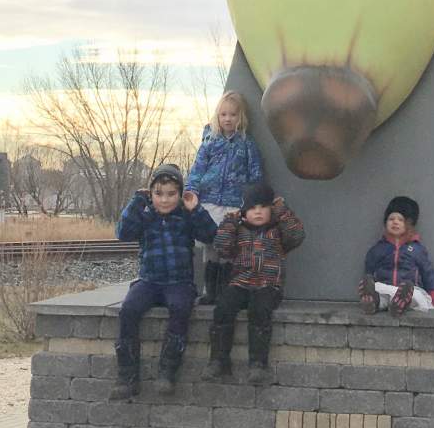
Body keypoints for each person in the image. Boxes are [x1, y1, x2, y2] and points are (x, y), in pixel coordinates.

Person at [111, 162, 218, 399]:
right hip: (149, 281)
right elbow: (122, 233)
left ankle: (167, 372)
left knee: (180, 308)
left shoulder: (186, 216)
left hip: (179, 282)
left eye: (171, 194)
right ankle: (127, 376)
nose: (165, 200)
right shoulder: (145, 215)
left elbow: (211, 235)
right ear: (151, 194)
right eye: (159, 194)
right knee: (128, 310)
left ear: (180, 195)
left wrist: (196, 209)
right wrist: (136, 202)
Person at [205, 181, 304, 383]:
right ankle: (218, 361)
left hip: (268, 285)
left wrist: (282, 210)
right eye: (252, 208)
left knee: (260, 310)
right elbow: (222, 247)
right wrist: (230, 222)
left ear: (271, 209)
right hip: (241, 283)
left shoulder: (277, 232)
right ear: (244, 211)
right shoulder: (238, 230)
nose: (257, 212)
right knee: (223, 307)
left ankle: (258, 363)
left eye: (263, 207)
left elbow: (297, 235)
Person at [186, 91, 263, 304]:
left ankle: (226, 291)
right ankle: (210, 291)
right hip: (209, 201)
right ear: (217, 116)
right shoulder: (210, 141)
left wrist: (254, 199)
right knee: (210, 245)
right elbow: (198, 168)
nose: (228, 119)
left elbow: (255, 174)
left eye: (233, 115)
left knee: (229, 246)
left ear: (241, 117)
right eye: (223, 114)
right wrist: (191, 190)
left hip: (233, 204)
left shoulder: (247, 144)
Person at [359, 195, 434, 314]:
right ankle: (372, 302)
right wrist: (368, 283)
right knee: (379, 291)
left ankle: (401, 303)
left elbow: (427, 273)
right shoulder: (378, 249)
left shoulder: (417, 249)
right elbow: (369, 270)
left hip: (409, 290)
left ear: (409, 224)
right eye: (391, 219)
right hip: (386, 288)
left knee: (415, 296)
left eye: (400, 219)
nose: (395, 222)